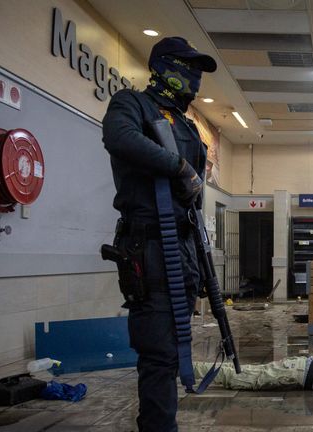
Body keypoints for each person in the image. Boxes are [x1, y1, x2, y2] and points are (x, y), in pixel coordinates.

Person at [102, 36, 217, 432]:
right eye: (188, 67)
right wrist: (178, 167)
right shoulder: (132, 103)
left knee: (172, 349)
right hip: (149, 247)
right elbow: (119, 138)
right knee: (159, 354)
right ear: (165, 66)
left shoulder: (187, 123)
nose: (196, 77)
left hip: (182, 246)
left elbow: (194, 195)